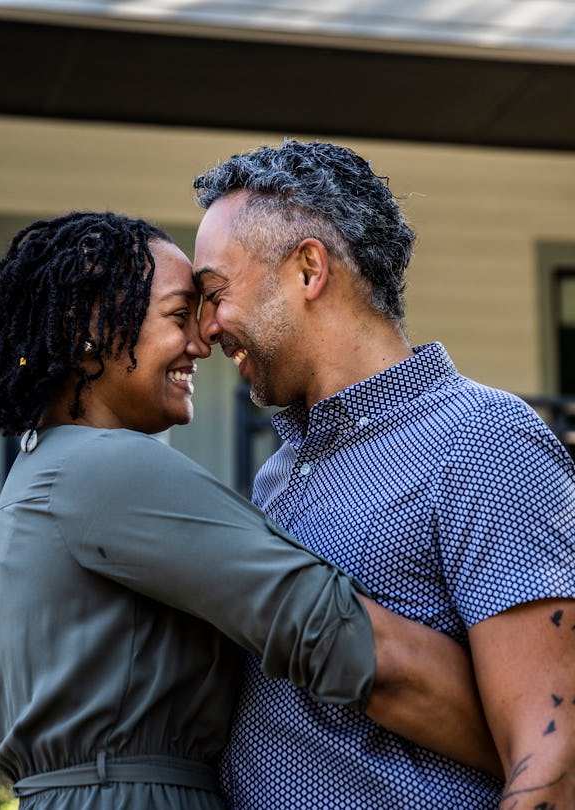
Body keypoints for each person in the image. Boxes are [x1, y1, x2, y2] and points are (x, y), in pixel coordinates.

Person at [0, 211, 500, 810]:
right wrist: (533, 748)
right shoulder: (107, 469)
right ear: (87, 327)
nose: (203, 342)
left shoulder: (45, 470)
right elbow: (344, 642)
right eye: (179, 315)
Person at [192, 140, 575, 809]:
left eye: (215, 293)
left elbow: (553, 757)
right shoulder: (280, 475)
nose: (206, 328)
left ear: (309, 269)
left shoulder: (485, 441)